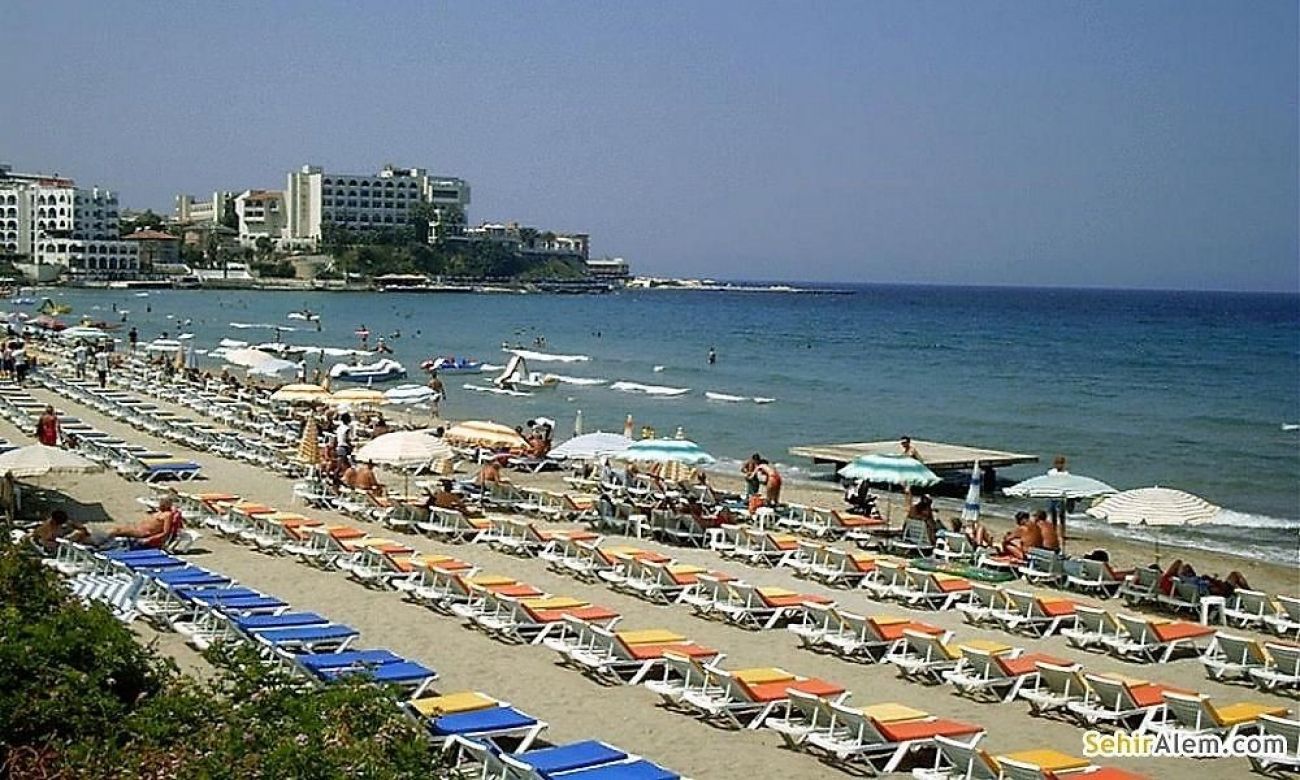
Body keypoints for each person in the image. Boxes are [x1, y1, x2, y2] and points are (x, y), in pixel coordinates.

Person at [108, 496, 182, 549]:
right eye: (160, 502)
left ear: (167, 505)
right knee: (116, 529)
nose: (160, 504)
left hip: (144, 533)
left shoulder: (167, 515)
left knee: (116, 530)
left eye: (162, 503)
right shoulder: (159, 512)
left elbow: (165, 533)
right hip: (137, 528)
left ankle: (102, 543)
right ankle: (105, 543)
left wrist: (149, 539)